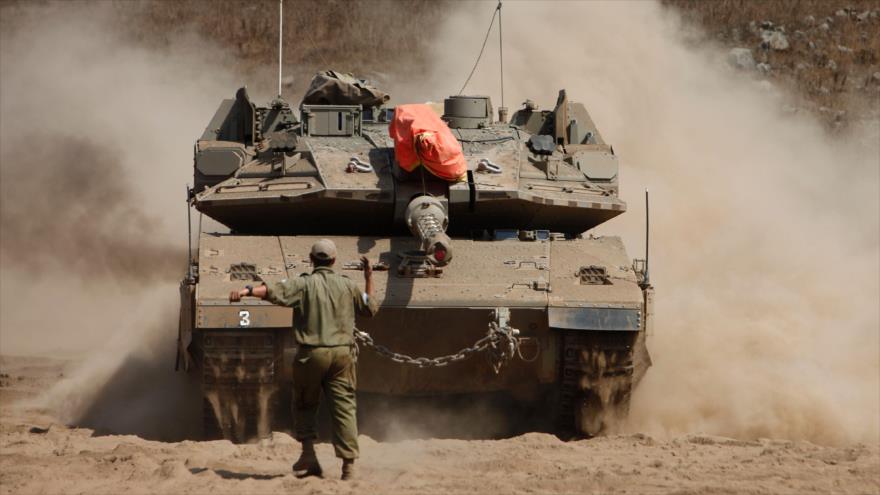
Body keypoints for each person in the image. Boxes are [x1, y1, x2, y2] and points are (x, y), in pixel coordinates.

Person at [229, 239, 378, 480]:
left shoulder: (304, 284)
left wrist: (246, 291)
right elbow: (370, 308)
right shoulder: (347, 284)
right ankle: (348, 467)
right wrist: (369, 277)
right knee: (344, 408)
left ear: (311, 259)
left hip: (311, 355)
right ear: (334, 260)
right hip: (342, 355)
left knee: (304, 403)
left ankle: (309, 455)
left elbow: (272, 291)